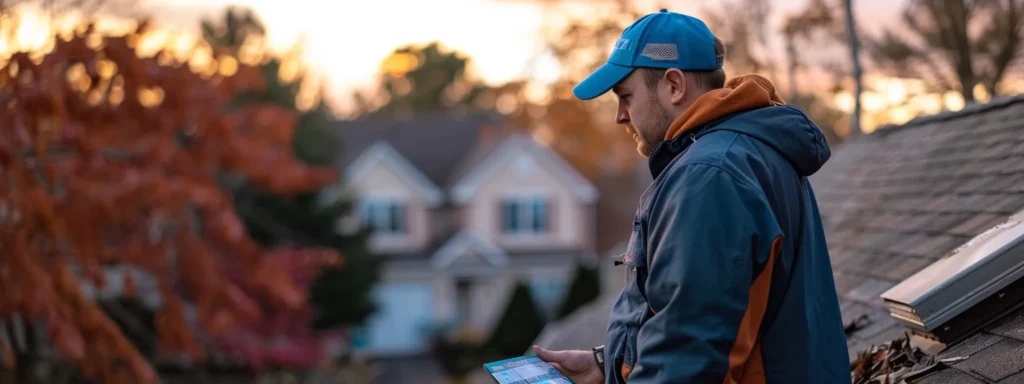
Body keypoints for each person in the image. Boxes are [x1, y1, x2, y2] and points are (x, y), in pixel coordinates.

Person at [532, 9, 851, 384]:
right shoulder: (743, 155)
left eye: (626, 96)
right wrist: (609, 365)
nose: (620, 115)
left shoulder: (710, 177)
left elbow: (688, 360)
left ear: (673, 86)